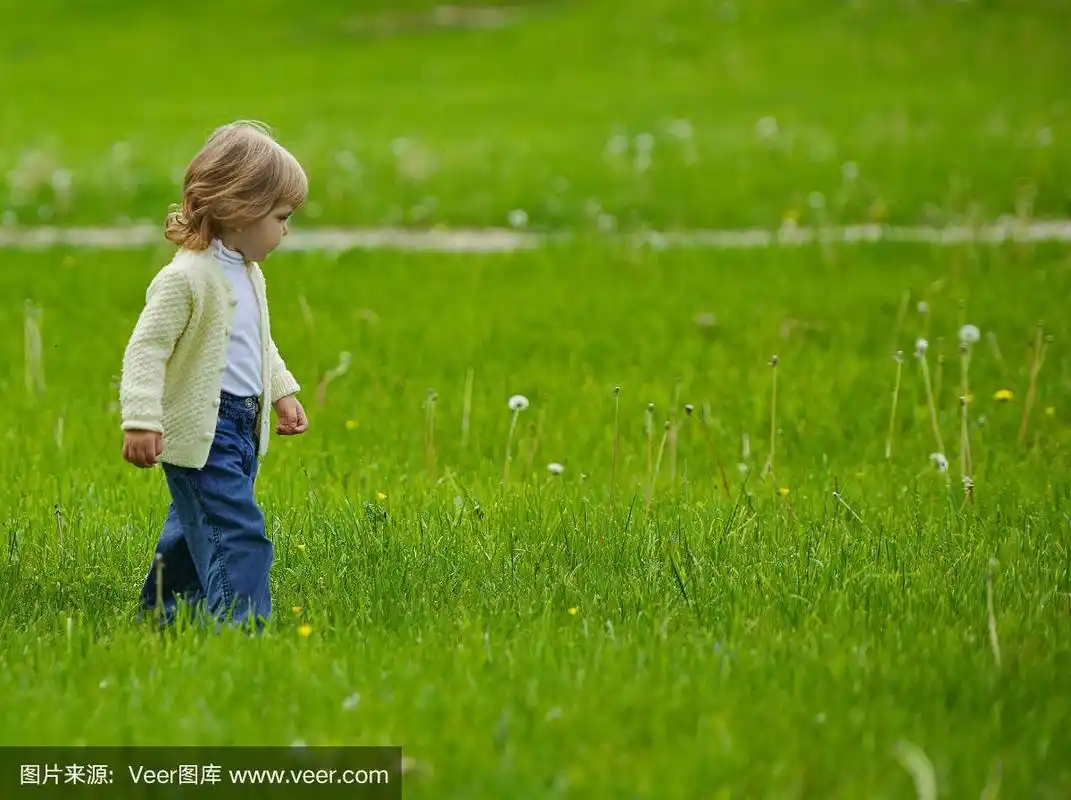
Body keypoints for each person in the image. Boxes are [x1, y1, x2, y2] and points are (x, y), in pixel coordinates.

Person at [119, 120, 309, 633]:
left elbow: (257, 342)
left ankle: (167, 617)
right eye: (281, 216)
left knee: (193, 527)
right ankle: (242, 628)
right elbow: (147, 349)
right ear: (240, 209)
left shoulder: (248, 272)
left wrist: (281, 392)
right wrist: (140, 419)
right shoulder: (186, 278)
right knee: (237, 531)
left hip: (240, 424)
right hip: (205, 427)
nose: (286, 229)